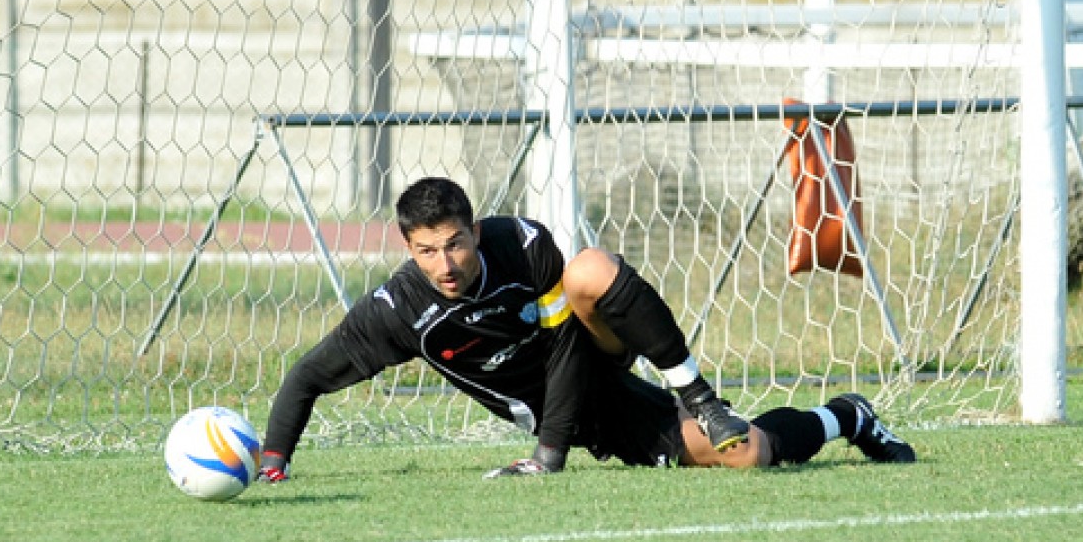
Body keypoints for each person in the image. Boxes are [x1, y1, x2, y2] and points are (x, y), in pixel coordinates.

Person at [258, 176, 914, 482]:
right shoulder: (401, 312)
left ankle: (701, 397)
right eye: (427, 251)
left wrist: (548, 459)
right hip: (596, 414)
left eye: (455, 244)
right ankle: (847, 418)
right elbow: (309, 376)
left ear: (475, 232)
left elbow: (570, 338)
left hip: (591, 356)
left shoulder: (523, 245)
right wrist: (272, 462)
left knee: (591, 270)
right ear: (408, 247)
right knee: (747, 455)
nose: (445, 263)